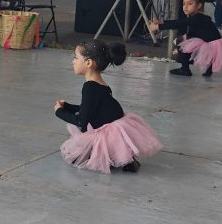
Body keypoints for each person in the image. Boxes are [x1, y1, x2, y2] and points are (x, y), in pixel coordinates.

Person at [55, 40, 162, 174]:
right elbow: (89, 108)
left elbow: (82, 122)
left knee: (75, 158)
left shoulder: (89, 87)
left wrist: (59, 112)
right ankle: (123, 158)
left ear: (88, 63)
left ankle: (111, 158)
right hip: (115, 123)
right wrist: (67, 107)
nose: (73, 62)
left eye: (76, 58)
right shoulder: (99, 82)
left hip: (107, 129)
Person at [150, 0, 222, 77]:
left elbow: (179, 23)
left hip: (212, 47)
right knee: (189, 39)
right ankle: (207, 70)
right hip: (215, 45)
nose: (185, 7)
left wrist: (158, 27)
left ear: (199, 5)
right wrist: (161, 22)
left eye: (190, 4)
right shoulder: (199, 17)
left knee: (182, 42)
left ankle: (185, 70)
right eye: (184, 4)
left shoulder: (197, 18)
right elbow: (180, 21)